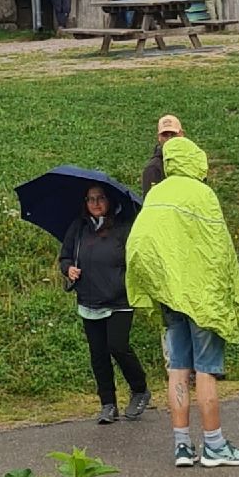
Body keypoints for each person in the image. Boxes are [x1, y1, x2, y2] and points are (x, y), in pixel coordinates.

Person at [122, 135, 239, 468]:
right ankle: (214, 445)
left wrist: (157, 285)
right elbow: (220, 250)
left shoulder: (157, 194)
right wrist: (231, 298)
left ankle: (182, 446)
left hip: (171, 298)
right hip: (202, 299)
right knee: (206, 371)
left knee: (178, 371)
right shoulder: (202, 194)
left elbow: (138, 244)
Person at [59, 182, 152, 424]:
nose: (96, 203)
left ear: (109, 201)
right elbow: (65, 257)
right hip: (89, 299)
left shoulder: (124, 227)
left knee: (117, 346)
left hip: (119, 299)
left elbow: (138, 258)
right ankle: (108, 404)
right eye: (91, 199)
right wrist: (68, 269)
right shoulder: (79, 227)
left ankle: (140, 389)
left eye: (100, 198)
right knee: (98, 355)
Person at [139, 111, 183, 191]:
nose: (169, 139)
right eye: (165, 135)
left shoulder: (194, 161)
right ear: (159, 137)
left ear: (181, 134)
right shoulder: (153, 169)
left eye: (173, 134)